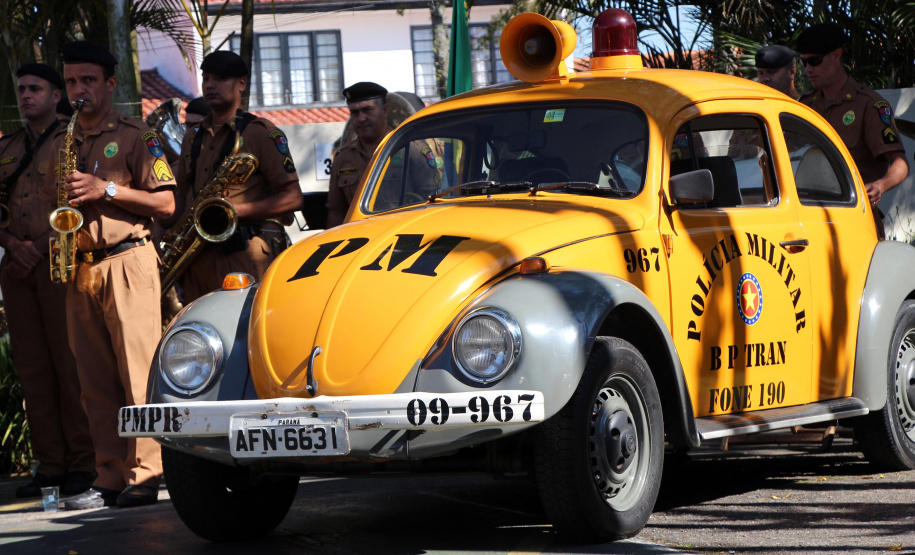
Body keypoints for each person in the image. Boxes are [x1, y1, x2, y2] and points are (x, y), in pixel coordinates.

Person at [51, 41, 176, 510]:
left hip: (128, 260)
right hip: (80, 268)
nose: (78, 90)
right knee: (95, 381)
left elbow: (166, 204)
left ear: (109, 83)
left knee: (137, 375)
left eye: (87, 80)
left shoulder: (138, 135)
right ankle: (109, 475)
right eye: (70, 82)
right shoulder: (65, 140)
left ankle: (147, 473)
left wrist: (106, 188)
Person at [0, 63, 96, 499]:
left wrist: (35, 247)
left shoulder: (72, 141)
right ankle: (50, 467)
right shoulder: (9, 146)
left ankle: (83, 464)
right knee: (33, 371)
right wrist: (12, 245)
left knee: (68, 365)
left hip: (58, 263)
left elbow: (78, 206)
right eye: (21, 89)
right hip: (16, 269)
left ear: (56, 95)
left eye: (34, 88)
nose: (25, 96)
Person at [170, 50, 301, 303]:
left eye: (219, 78)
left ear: (241, 83)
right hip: (198, 255)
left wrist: (236, 210)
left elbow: (293, 199)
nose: (209, 85)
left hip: (244, 253)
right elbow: (182, 196)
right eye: (206, 78)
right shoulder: (193, 136)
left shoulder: (261, 133)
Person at [797, 23, 908, 236]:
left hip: (855, 222)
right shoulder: (805, 108)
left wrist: (880, 186)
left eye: (815, 61)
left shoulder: (869, 104)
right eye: (804, 63)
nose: (808, 69)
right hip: (810, 222)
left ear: (836, 55)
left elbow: (900, 164)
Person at [326, 82, 392, 227]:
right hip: (361, 241)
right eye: (355, 113)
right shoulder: (343, 158)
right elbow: (337, 212)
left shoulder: (409, 149)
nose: (361, 118)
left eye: (367, 110)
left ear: (385, 110)